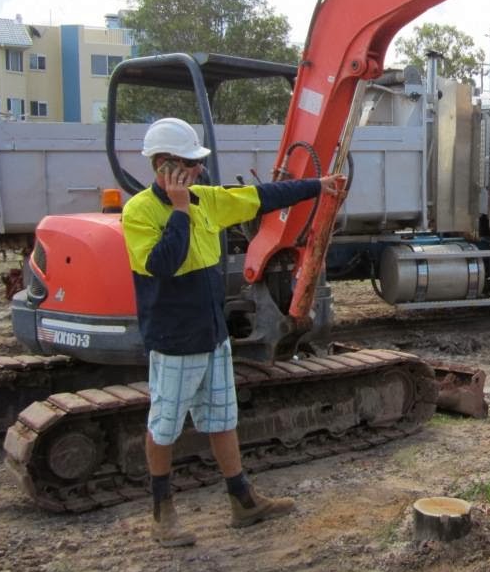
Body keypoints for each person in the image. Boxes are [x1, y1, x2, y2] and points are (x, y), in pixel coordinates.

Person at [121, 117, 341, 547]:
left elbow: (260, 197)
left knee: (223, 420)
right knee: (164, 425)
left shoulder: (208, 199)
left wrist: (319, 185)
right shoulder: (139, 212)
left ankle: (243, 500)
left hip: (212, 335)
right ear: (165, 165)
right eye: (191, 164)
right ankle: (161, 513)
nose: (200, 171)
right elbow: (164, 263)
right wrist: (181, 210)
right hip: (174, 340)